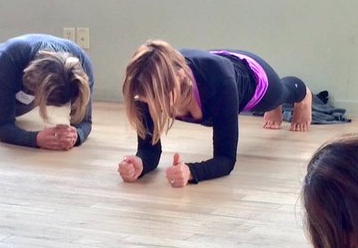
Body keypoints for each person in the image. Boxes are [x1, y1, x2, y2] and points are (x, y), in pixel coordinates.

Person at [118, 39, 312, 187]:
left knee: (282, 94)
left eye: (157, 100)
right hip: (212, 66)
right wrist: (140, 163)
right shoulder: (143, 90)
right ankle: (273, 108)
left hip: (252, 76)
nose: (149, 106)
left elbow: (226, 160)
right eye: (144, 100)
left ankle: (303, 94)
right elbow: (150, 150)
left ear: (177, 81)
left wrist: (191, 172)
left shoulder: (220, 83)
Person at [0, 34, 93, 151]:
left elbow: (86, 122)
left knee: (20, 104)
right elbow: (3, 127)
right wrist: (36, 139)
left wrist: (77, 135)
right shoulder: (9, 60)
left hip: (27, 78)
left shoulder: (83, 68)